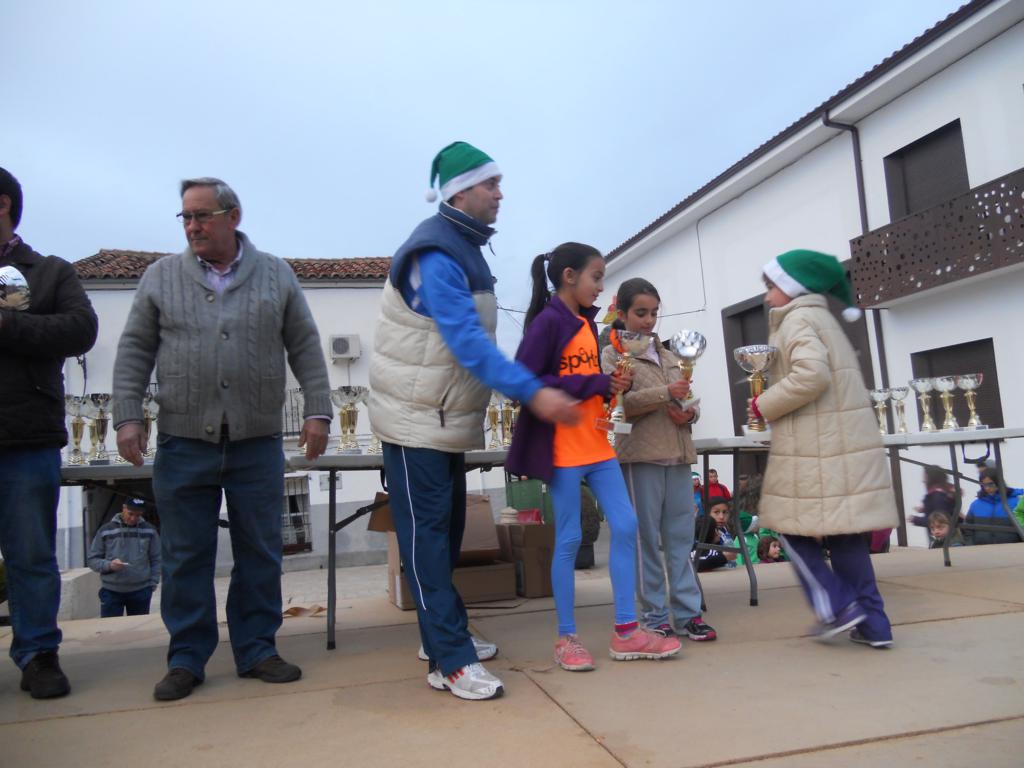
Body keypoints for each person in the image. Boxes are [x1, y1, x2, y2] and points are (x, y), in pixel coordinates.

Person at [367, 142, 578, 701]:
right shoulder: (436, 254)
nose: (500, 194)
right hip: (414, 421)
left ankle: (443, 633)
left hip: (441, 418)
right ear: (460, 192)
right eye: (491, 184)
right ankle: (449, 660)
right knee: (427, 542)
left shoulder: (464, 246)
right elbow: (467, 342)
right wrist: (533, 392)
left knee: (444, 536)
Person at [113, 177, 332, 701]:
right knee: (186, 555)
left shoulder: (275, 273)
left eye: (202, 216)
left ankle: (256, 648)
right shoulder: (160, 277)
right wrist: (127, 417)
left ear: (233, 216)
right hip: (184, 440)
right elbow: (135, 350)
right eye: (185, 217)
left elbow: (304, 344)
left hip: (257, 441)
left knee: (260, 551)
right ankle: (186, 658)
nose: (192, 226)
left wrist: (318, 410)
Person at [508, 243, 682, 672]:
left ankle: (626, 631)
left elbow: (582, 378)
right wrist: (593, 384)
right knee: (569, 539)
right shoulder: (549, 322)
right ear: (569, 276)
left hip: (598, 444)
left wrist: (611, 385)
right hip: (564, 449)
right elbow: (523, 379)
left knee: (625, 525)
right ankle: (566, 638)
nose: (602, 287)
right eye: (597, 277)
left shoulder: (586, 322)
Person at [754, 249, 898, 649]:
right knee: (845, 535)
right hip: (842, 446)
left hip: (818, 450)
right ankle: (874, 625)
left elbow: (811, 375)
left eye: (771, 286)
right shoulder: (823, 318)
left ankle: (836, 606)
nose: (767, 296)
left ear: (794, 287)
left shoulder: (796, 319)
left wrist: (764, 403)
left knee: (790, 530)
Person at [0, 168, 98, 699]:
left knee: (32, 555)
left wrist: (8, 325)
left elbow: (81, 330)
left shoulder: (51, 272)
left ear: (3, 205)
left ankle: (38, 654)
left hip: (26, 437)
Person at [600, 277, 716, 641]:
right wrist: (666, 393)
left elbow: (689, 397)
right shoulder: (611, 355)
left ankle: (688, 613)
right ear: (621, 314)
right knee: (645, 541)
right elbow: (617, 406)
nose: (649, 320)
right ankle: (654, 615)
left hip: (678, 455)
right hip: (640, 456)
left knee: (681, 540)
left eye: (653, 313)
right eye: (641, 313)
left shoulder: (668, 354)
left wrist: (690, 413)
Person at [87, 497, 160, 617]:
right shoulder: (105, 530)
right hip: (111, 591)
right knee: (110, 627)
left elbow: (157, 558)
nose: (133, 518)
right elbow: (92, 560)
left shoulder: (149, 531)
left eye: (138, 515)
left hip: (141, 591)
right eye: (130, 514)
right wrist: (109, 565)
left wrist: (153, 583)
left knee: (138, 628)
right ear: (123, 508)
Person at [964, 467, 1023, 546]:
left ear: (999, 482)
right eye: (984, 485)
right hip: (981, 550)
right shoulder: (975, 505)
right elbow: (968, 529)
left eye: (990, 484)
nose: (987, 488)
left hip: (1011, 550)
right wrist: (970, 545)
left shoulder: (1016, 502)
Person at [696, 500, 738, 572]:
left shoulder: (725, 529)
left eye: (725, 512)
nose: (721, 517)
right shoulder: (701, 532)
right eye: (716, 512)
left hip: (728, 569)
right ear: (707, 513)